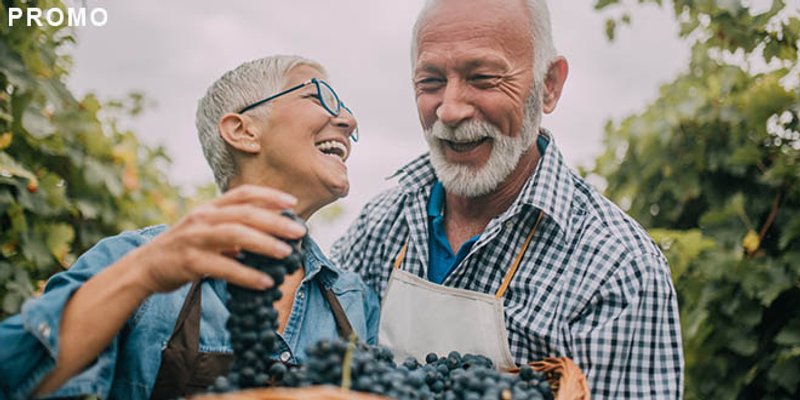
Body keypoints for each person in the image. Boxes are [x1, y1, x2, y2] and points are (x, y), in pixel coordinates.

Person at [329, 0, 684, 398]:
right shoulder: (386, 219)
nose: (450, 110)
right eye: (430, 82)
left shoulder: (618, 268)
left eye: (482, 78)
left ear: (548, 85)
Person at [0, 55, 379, 400]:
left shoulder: (354, 299)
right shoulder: (132, 261)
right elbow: (11, 379)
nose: (349, 120)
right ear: (243, 130)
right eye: (317, 98)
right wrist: (142, 273)